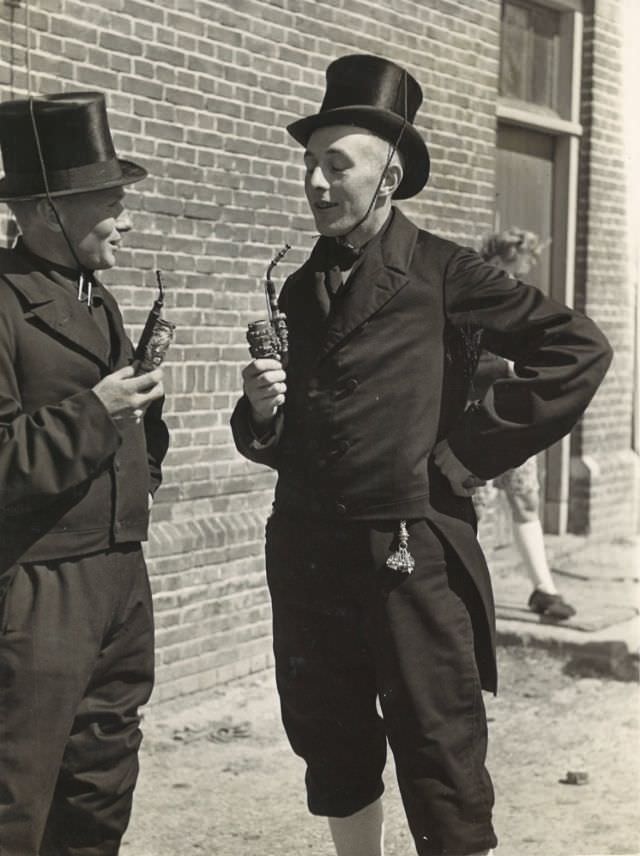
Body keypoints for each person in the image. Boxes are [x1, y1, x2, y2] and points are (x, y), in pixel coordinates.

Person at [231, 54, 611, 856]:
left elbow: (577, 349)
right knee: (330, 738)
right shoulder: (300, 289)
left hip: (409, 557)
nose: (316, 183)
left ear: (390, 175)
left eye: (338, 166)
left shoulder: (445, 272)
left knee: (439, 745)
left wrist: (470, 454)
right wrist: (263, 416)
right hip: (308, 551)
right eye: (309, 164)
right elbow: (298, 431)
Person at [0, 93, 169, 856]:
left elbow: (135, 438)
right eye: (110, 204)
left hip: (118, 579)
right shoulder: (5, 305)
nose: (125, 221)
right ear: (46, 211)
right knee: (16, 796)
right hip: (39, 587)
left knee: (101, 792)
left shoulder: (96, 299)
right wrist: (98, 414)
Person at [470, 227, 576, 620]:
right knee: (474, 509)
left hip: (511, 419)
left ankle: (543, 589)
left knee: (526, 496)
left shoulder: (515, 304)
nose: (514, 280)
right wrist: (505, 366)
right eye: (510, 270)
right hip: (472, 419)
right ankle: (467, 596)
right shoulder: (467, 298)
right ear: (494, 262)